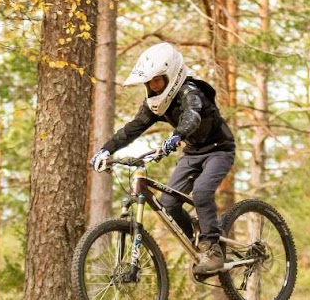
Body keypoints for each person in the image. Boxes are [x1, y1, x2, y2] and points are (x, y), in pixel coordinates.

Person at [90, 42, 235, 275]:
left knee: (201, 191)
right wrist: (106, 150)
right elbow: (132, 128)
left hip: (219, 150)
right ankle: (199, 244)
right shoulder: (156, 104)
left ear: (171, 76)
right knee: (168, 203)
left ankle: (213, 250)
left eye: (157, 80)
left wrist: (177, 135)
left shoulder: (190, 92)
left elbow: (192, 116)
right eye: (149, 83)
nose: (153, 87)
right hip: (193, 153)